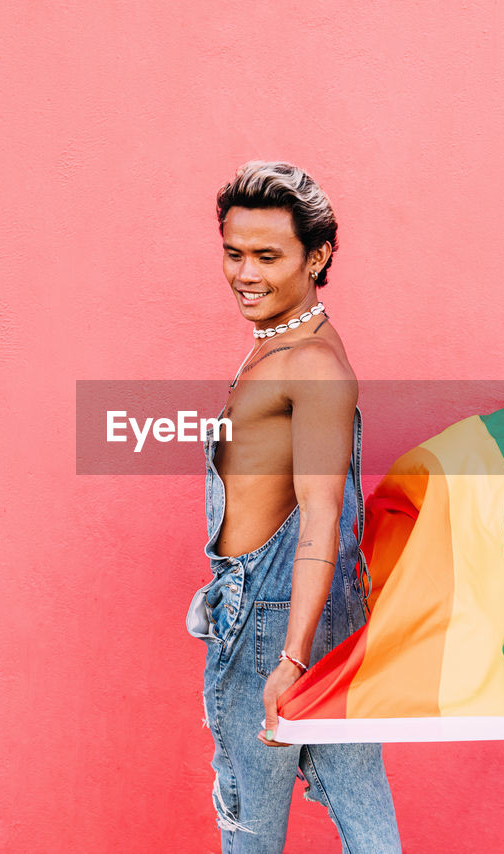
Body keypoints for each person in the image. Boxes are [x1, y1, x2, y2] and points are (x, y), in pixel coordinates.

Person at [187, 161, 401, 853]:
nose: (246, 274)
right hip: (314, 609)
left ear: (319, 255)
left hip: (273, 626)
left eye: (267, 257)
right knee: (367, 825)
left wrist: (292, 657)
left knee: (251, 836)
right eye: (234, 253)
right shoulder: (286, 345)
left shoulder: (308, 363)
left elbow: (320, 514)